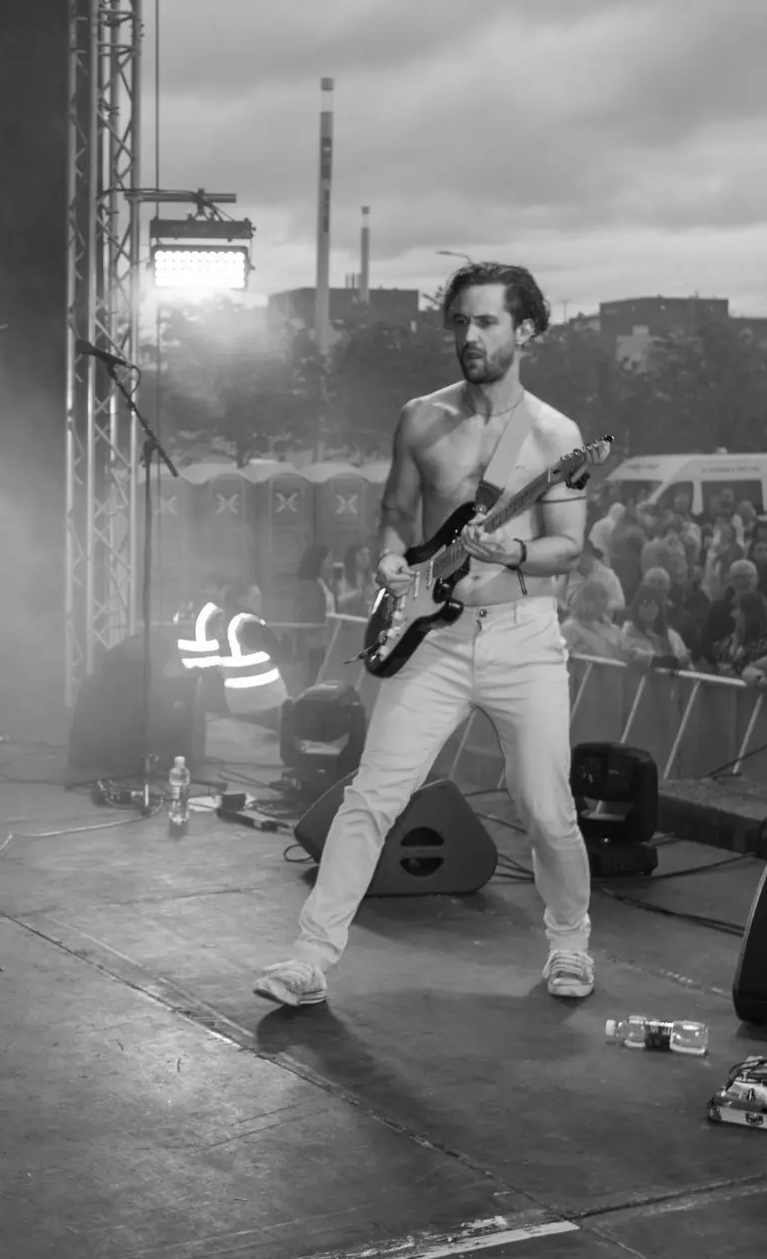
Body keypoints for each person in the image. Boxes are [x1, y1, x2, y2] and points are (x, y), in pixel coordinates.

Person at [254, 262, 595, 1007]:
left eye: (487, 322)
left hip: (523, 638)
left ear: (526, 330)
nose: (469, 336)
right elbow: (395, 514)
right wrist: (389, 564)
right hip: (432, 640)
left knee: (546, 809)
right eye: (460, 322)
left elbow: (569, 547)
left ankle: (570, 943)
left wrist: (512, 550)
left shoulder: (557, 436)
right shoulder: (421, 418)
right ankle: (309, 960)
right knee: (371, 795)